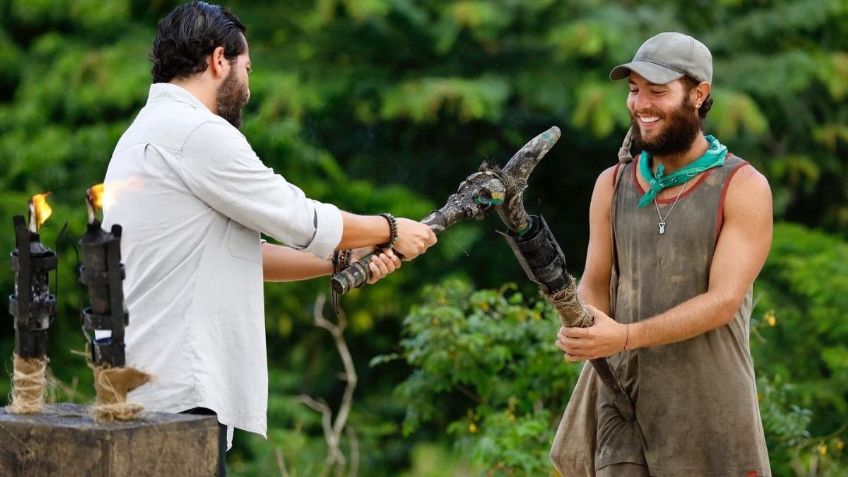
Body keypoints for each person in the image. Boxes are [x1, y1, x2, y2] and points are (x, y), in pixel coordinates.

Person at [101, 2, 437, 474]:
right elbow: (298, 218)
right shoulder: (196, 132)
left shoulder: (142, 134)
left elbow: (242, 256)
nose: (249, 87)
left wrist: (343, 258)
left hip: (151, 387)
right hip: (179, 394)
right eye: (247, 68)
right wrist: (393, 228)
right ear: (220, 60)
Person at [551, 32, 773, 476]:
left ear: (699, 94)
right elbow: (595, 283)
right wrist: (584, 326)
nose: (641, 104)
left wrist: (626, 336)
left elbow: (723, 301)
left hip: (712, 410)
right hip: (623, 403)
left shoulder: (743, 186)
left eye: (658, 91)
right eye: (634, 90)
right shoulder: (610, 185)